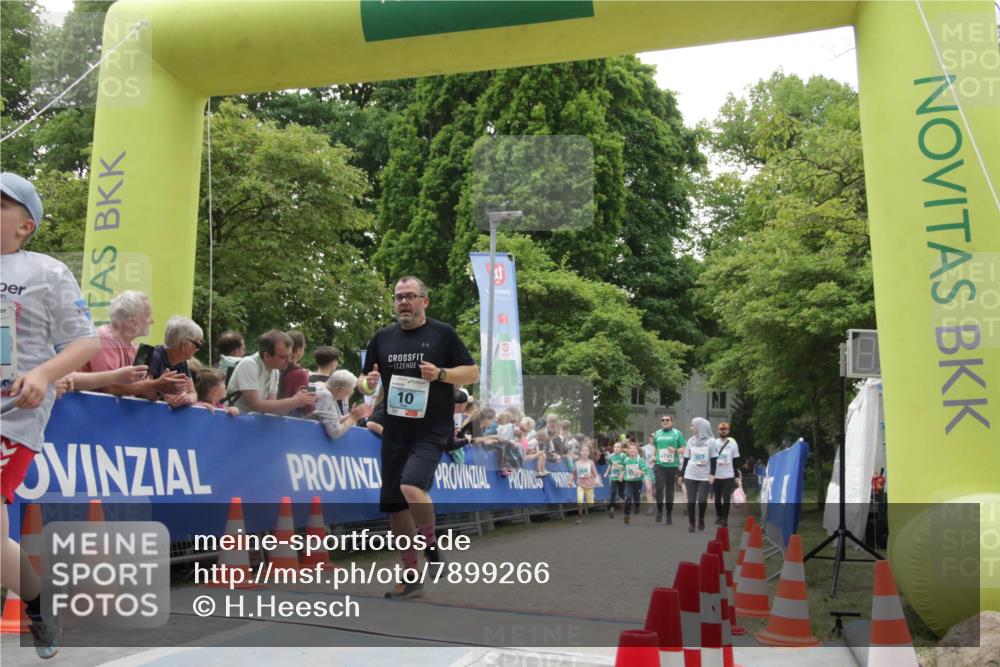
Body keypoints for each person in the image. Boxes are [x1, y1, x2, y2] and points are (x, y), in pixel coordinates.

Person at [1, 172, 102, 658]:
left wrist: (43, 375)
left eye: (0, 205)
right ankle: (39, 602)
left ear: (26, 225)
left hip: (10, 416)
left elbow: (86, 342)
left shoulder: (45, 271)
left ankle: (38, 602)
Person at [357, 276, 479, 599]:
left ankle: (431, 544)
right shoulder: (383, 338)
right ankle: (411, 575)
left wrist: (441, 374)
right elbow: (363, 382)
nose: (403, 303)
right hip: (395, 430)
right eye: (398, 297)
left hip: (431, 428)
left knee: (411, 486)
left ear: (424, 301)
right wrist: (368, 383)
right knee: (396, 507)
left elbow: (473, 372)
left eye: (410, 296)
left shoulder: (442, 334)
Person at [77, 290, 188, 398]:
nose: (152, 321)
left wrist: (166, 388)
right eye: (148, 316)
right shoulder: (104, 337)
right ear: (132, 321)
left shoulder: (134, 348)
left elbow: (146, 393)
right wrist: (156, 385)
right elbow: (110, 388)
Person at [226, 329, 315, 415]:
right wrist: (294, 401)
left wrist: (298, 401)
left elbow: (273, 408)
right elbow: (255, 405)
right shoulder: (249, 364)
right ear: (267, 356)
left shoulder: (275, 371)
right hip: (233, 422)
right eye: (283, 357)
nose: (289, 360)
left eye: (290, 356)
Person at [147, 315, 202, 408]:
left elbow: (193, 393)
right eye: (197, 345)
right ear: (184, 345)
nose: (198, 349)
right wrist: (164, 394)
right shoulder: (153, 356)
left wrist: (187, 398)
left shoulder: (182, 362)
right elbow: (143, 393)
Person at [680, 417, 717, 533]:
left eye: (692, 425)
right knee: (691, 500)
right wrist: (681, 474)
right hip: (690, 474)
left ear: (700, 427)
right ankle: (692, 523)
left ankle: (701, 518)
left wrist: (712, 474)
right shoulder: (690, 441)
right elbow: (686, 458)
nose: (690, 427)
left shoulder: (711, 442)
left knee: (702, 499)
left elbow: (714, 459)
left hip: (704, 475)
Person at [313, 369, 372, 439]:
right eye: (350, 389)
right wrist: (353, 418)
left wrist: (352, 415)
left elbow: (334, 419)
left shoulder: (321, 387)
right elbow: (335, 432)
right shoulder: (326, 396)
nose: (352, 392)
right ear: (339, 390)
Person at [651, 414, 686, 525]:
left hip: (672, 466)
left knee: (670, 490)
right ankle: (660, 510)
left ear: (671, 422)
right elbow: (656, 448)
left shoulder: (677, 433)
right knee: (659, 488)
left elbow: (684, 449)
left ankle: (669, 513)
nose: (665, 421)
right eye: (663, 420)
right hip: (659, 465)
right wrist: (653, 455)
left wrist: (675, 450)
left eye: (667, 420)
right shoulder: (657, 433)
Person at [712, 422, 741, 527]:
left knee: (726, 498)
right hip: (716, 475)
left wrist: (737, 475)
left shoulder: (732, 443)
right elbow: (711, 459)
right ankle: (719, 515)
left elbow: (736, 459)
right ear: (718, 431)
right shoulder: (714, 443)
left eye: (725, 429)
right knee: (717, 498)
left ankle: (724, 518)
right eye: (721, 429)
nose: (723, 431)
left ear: (728, 431)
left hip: (728, 475)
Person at [621, 441, 648, 524]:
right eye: (630, 449)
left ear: (637, 451)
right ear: (628, 451)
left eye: (634, 448)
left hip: (638, 482)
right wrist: (621, 475)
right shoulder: (626, 460)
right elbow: (624, 469)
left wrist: (638, 471)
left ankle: (637, 506)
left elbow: (645, 471)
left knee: (636, 497)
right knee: (628, 497)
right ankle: (626, 515)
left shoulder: (640, 460)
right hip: (629, 482)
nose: (632, 450)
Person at [278, 330, 310, 399]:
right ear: (298, 350)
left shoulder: (275, 367)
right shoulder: (299, 374)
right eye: (304, 346)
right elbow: (308, 407)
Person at [571, 444, 598, 525]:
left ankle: (592, 499)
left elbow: (595, 474)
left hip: (589, 485)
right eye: (583, 450)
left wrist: (596, 480)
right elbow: (573, 473)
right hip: (580, 484)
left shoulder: (591, 463)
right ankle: (579, 517)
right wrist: (570, 480)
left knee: (590, 503)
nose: (584, 452)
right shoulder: (577, 463)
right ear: (580, 452)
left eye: (586, 451)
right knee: (580, 500)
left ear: (589, 453)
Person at [603, 440, 625, 519]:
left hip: (622, 477)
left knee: (621, 493)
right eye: (615, 447)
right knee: (613, 492)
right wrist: (606, 473)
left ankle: (624, 501)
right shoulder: (611, 456)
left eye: (618, 447)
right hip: (613, 477)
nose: (616, 448)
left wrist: (621, 467)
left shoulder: (623, 456)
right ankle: (612, 508)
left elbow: (626, 466)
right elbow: (610, 465)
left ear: (621, 449)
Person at [642, 434, 656, 515]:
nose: (652, 438)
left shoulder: (660, 447)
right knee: (648, 489)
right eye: (651, 437)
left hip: (657, 470)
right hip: (648, 469)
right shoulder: (645, 447)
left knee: (658, 490)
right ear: (649, 438)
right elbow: (636, 449)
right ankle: (650, 508)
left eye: (654, 437)